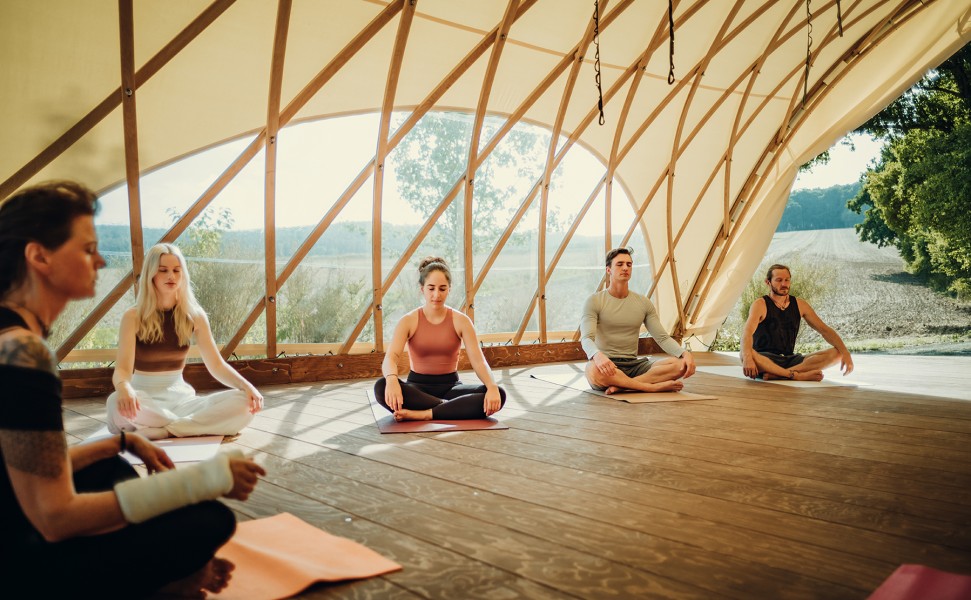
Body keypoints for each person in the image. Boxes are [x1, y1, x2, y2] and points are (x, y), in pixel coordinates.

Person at [0, 181, 265, 598]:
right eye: (88, 249)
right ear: (39, 257)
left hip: (16, 517)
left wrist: (119, 443)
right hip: (20, 563)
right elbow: (54, 517)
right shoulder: (22, 354)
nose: (101, 260)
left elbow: (27, 465)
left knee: (114, 469)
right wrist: (207, 478)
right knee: (212, 520)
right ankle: (166, 583)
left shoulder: (13, 340)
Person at [106, 243, 263, 439]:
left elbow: (216, 365)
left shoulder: (195, 316)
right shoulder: (132, 316)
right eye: (163, 270)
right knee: (115, 404)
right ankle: (186, 426)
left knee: (244, 403)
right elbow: (122, 370)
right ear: (151, 275)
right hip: (143, 400)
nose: (171, 276)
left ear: (183, 275)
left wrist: (247, 387)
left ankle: (163, 430)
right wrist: (124, 389)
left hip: (183, 403)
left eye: (176, 270)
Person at [375, 257, 506, 421]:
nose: (436, 295)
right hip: (417, 389)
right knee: (381, 387)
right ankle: (452, 408)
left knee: (498, 394)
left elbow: (479, 361)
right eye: (431, 288)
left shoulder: (461, 321)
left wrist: (492, 386)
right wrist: (392, 380)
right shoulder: (408, 320)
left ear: (449, 289)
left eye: (442, 289)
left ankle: (425, 413)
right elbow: (391, 357)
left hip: (451, 388)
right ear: (422, 289)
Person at [580, 247, 696, 393]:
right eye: (620, 264)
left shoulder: (643, 302)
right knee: (592, 370)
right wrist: (597, 356)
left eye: (629, 264)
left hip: (635, 366)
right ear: (608, 270)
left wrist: (685, 354)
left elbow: (662, 338)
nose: (625, 268)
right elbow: (586, 339)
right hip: (607, 366)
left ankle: (622, 386)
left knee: (680, 364)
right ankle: (650, 387)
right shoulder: (594, 301)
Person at [740, 263, 853, 381]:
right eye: (778, 280)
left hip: (791, 359)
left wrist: (846, 353)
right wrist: (748, 357)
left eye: (787, 280)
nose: (784, 284)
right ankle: (795, 375)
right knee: (746, 353)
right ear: (768, 282)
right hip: (765, 359)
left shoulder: (800, 304)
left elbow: (824, 330)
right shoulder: (760, 304)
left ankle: (781, 374)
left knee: (837, 353)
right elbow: (747, 333)